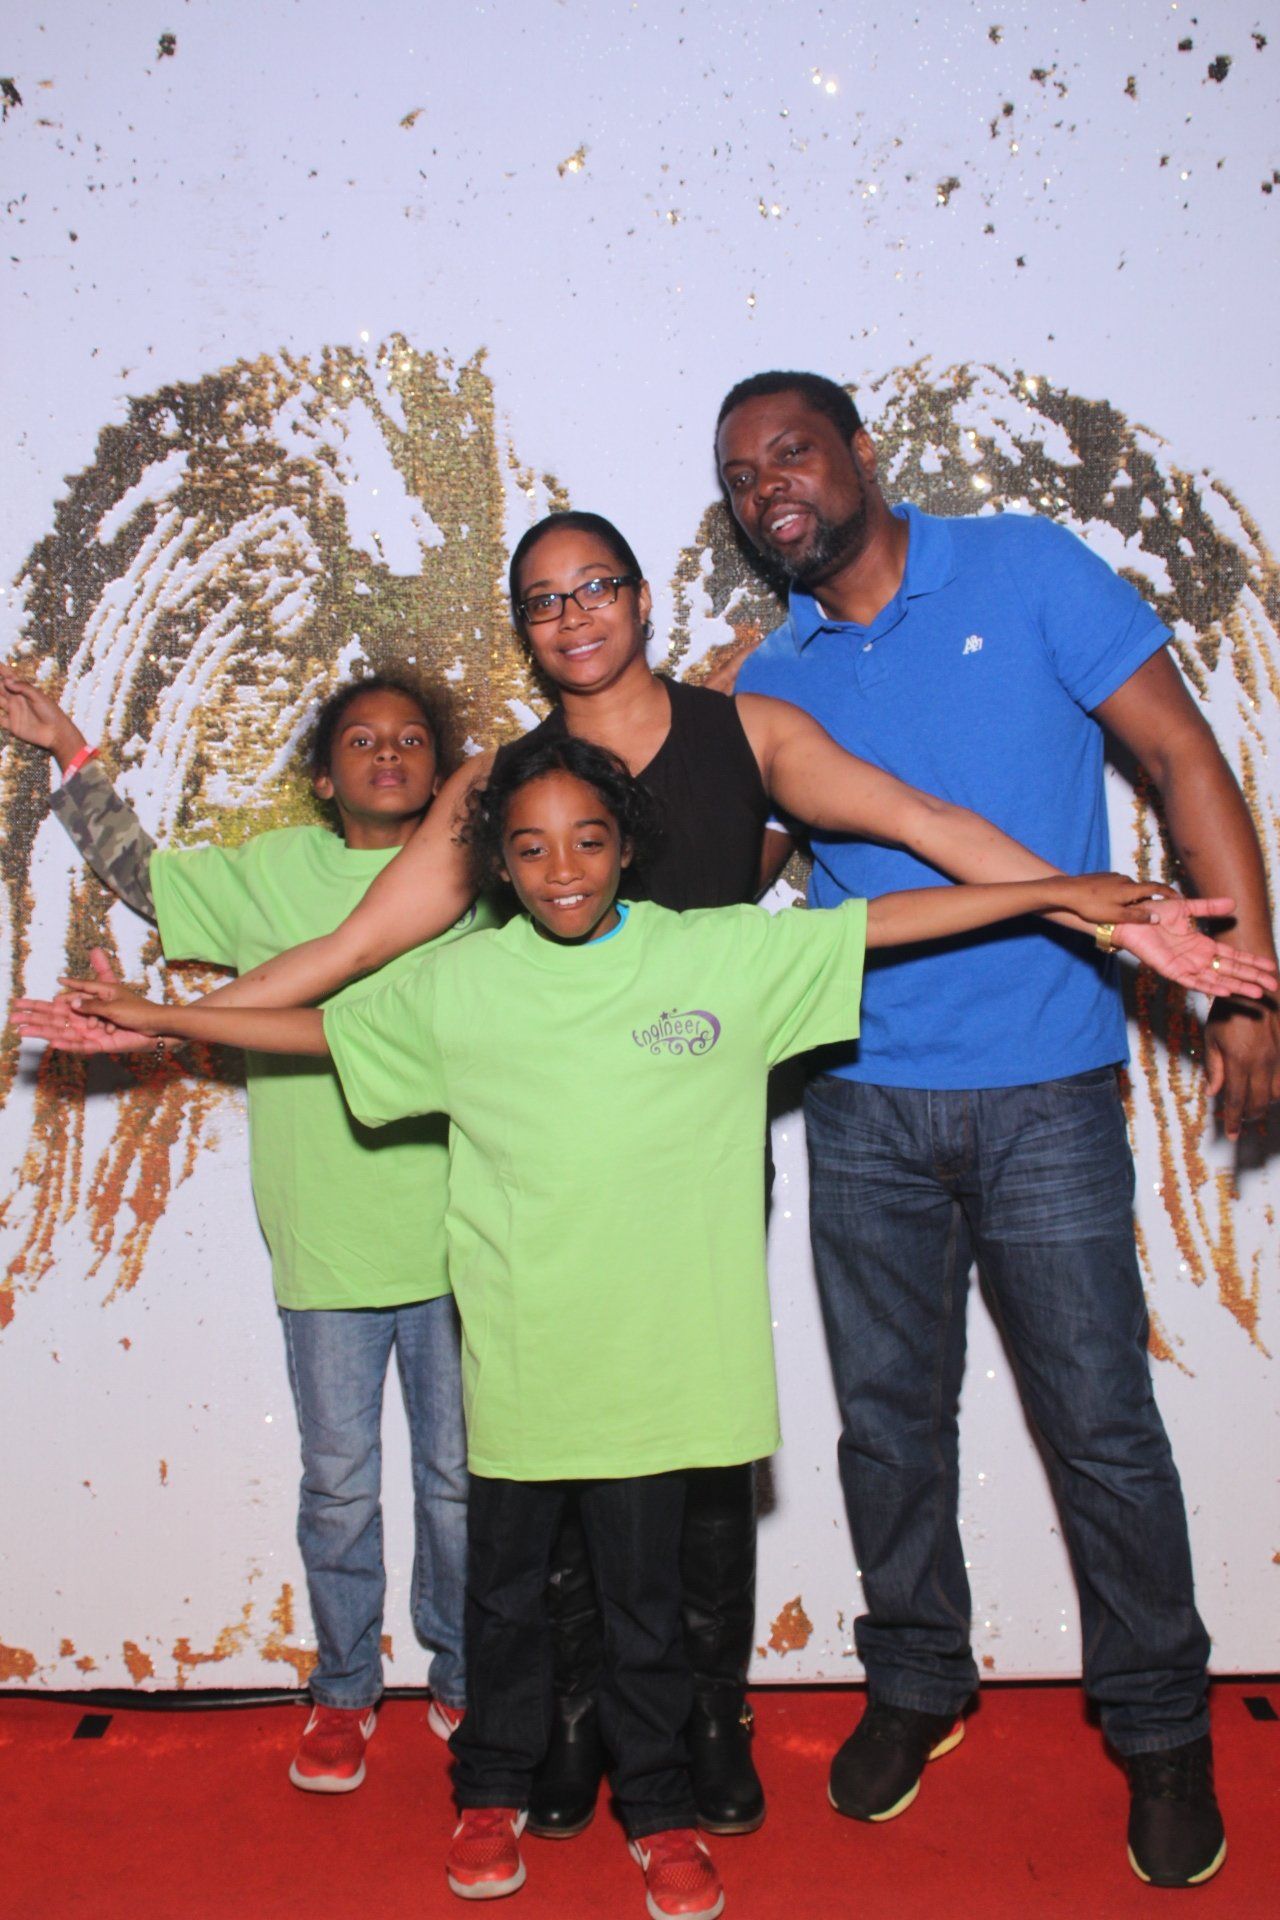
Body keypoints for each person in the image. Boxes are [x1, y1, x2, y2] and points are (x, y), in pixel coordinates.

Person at [13, 734, 1240, 1918]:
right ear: (498, 863)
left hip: (662, 1367)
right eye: (531, 847)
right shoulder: (460, 980)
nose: (562, 869)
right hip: (521, 1364)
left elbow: (882, 923)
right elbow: (324, 1031)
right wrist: (168, 1019)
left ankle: (659, 1809)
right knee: (505, 1602)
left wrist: (1065, 894)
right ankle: (488, 1790)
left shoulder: (714, 957)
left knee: (648, 1608)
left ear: (625, 848)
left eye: (588, 841)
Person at [712, 368, 1280, 1889]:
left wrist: (1243, 989)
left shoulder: (1024, 568)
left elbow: (1181, 757)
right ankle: (916, 1679)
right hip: (861, 1097)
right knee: (887, 1427)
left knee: (1100, 1425)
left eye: (792, 451)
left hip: (1046, 1093)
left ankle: (1159, 1730)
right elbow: (723, 879)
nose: (770, 486)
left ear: (859, 452)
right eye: (741, 475)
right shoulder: (772, 675)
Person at [0, 667, 478, 1792]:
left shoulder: (480, 880)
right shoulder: (272, 871)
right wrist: (67, 748)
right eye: (361, 739)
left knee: (461, 1484)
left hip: (467, 1238)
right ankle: (345, 1689)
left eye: (413, 738)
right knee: (339, 1485)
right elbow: (143, 876)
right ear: (325, 778)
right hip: (324, 1237)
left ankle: (467, 1670)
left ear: (444, 774)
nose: (389, 752)